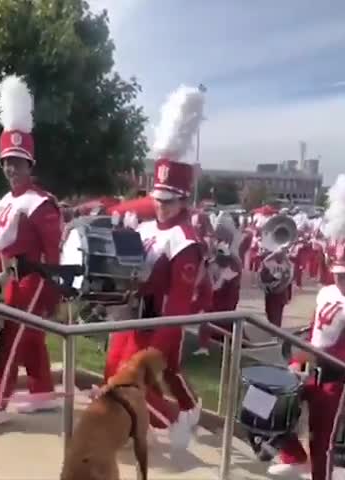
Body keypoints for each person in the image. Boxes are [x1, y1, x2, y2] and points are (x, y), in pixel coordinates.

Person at [104, 85, 206, 449]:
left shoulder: (186, 242)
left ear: (182, 199)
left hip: (156, 325)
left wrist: (158, 348)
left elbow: (178, 305)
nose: (160, 205)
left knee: (133, 385)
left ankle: (175, 422)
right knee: (111, 374)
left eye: (169, 200)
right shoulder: (145, 226)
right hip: (130, 318)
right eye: (157, 198)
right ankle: (128, 430)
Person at [0, 75, 62, 429]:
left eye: (18, 162)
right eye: (7, 161)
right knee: (30, 341)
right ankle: (42, 395)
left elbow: (53, 255)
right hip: (13, 282)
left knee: (9, 343)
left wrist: (51, 296)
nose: (11, 168)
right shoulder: (7, 201)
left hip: (35, 282)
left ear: (30, 165)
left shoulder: (41, 204)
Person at [270, 242, 345, 479]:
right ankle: (294, 456)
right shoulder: (326, 292)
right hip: (312, 364)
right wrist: (299, 360)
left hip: (337, 377)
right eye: (338, 273)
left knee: (322, 441)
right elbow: (314, 333)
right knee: (268, 404)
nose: (340, 279)